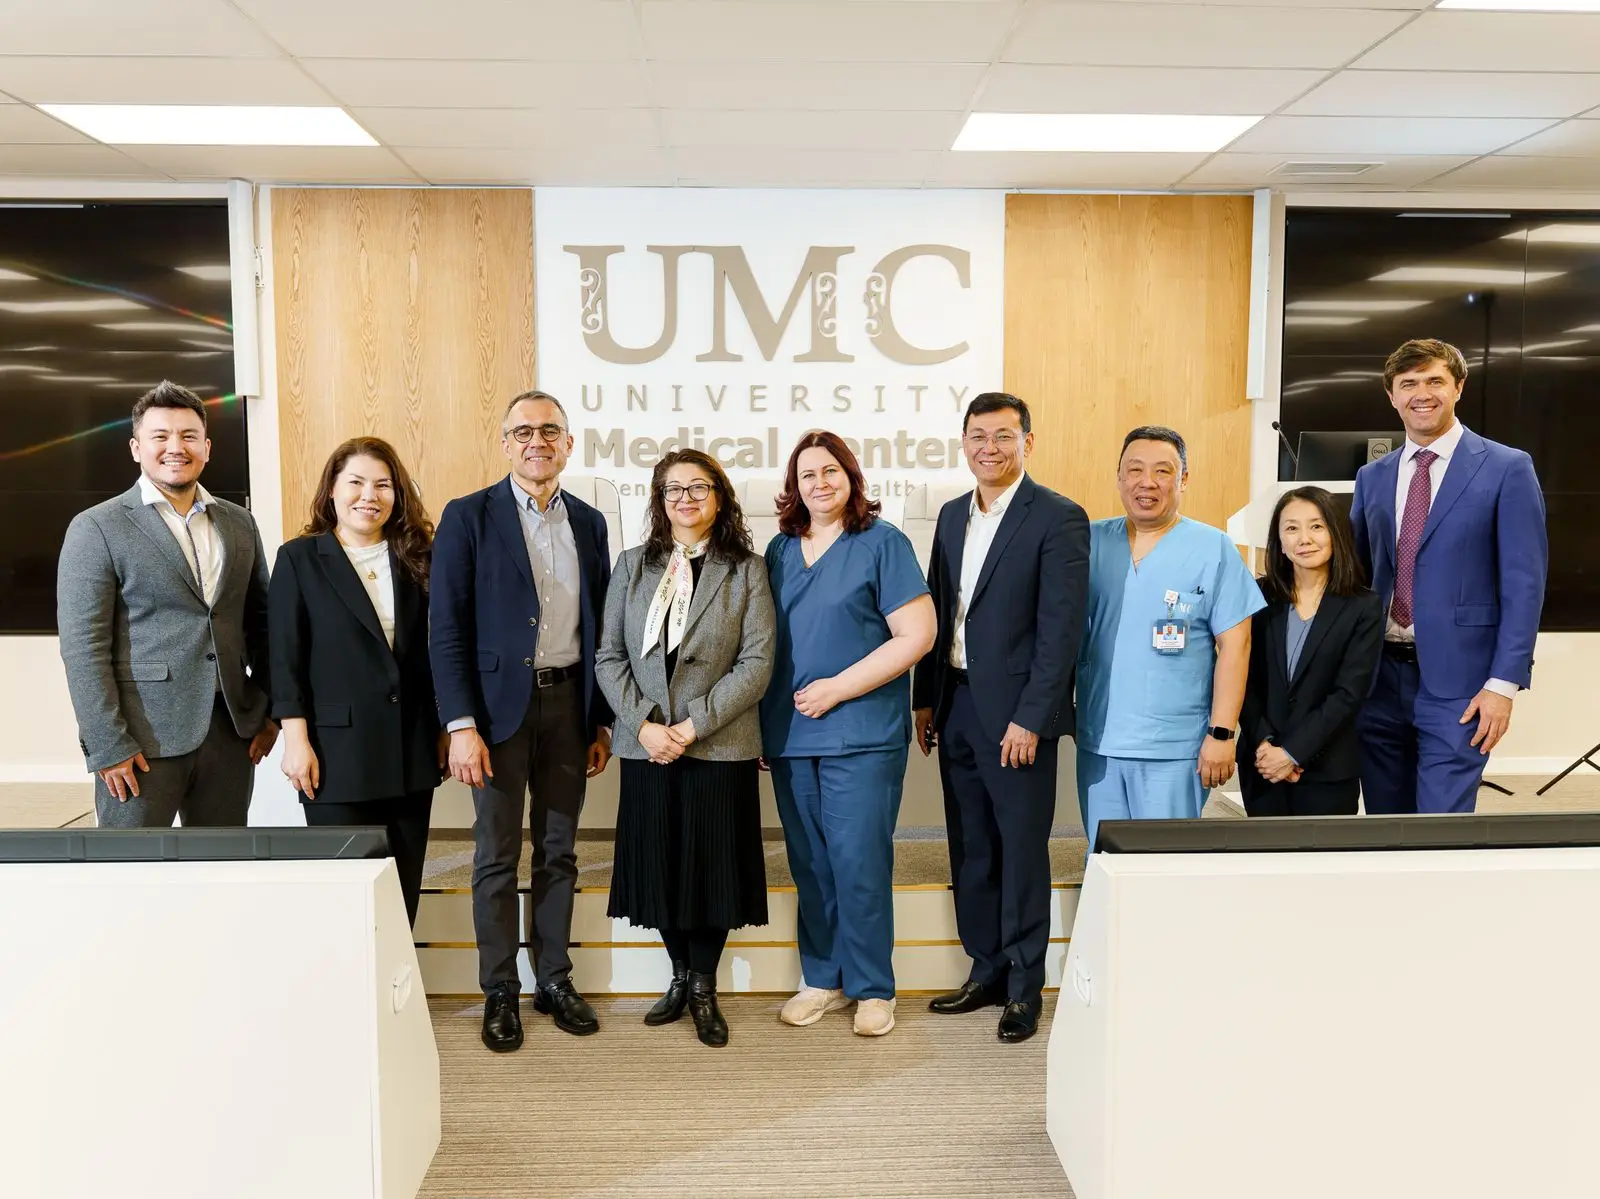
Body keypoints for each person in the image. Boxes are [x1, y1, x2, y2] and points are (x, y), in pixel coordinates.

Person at [430, 389, 614, 1052]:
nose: (537, 441)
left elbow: (600, 626)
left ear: (568, 443)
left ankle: (554, 981)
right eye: (524, 431)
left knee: (560, 850)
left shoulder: (590, 522)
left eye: (550, 431)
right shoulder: (467, 516)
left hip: (568, 708)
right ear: (506, 443)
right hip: (494, 714)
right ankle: (500, 989)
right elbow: (446, 629)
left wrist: (600, 721)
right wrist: (460, 725)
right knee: (497, 854)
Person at [912, 393, 1089, 1045]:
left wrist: (1032, 718)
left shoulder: (1059, 517)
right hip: (956, 703)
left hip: (1017, 718)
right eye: (978, 435)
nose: (990, 447)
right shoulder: (951, 514)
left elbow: (1061, 631)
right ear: (963, 443)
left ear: (1027, 442)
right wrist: (925, 698)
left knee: (1020, 851)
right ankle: (984, 969)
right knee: (971, 847)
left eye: (1004, 435)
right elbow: (937, 608)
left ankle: (1024, 986)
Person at [595, 449, 774, 1048]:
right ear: (659, 500)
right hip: (646, 744)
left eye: (699, 488)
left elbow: (757, 662)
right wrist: (645, 725)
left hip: (718, 744)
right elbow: (609, 656)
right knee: (660, 867)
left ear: (719, 498)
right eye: (673, 489)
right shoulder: (631, 565)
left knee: (713, 870)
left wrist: (693, 726)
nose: (686, 499)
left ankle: (703, 985)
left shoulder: (746, 569)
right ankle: (677, 974)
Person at [761, 431, 936, 1038]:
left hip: (860, 733)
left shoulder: (882, 544)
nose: (820, 483)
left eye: (830, 471)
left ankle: (872, 987)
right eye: (807, 474)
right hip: (790, 735)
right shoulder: (780, 549)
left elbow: (916, 635)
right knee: (810, 862)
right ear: (794, 485)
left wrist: (838, 688)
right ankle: (822, 978)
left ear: (851, 477)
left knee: (858, 861)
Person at [58, 381, 277, 828]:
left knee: (221, 863)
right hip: (139, 741)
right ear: (136, 448)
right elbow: (83, 648)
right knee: (131, 866)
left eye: (189, 436)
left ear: (206, 448)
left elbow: (264, 626)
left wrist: (268, 710)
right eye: (160, 436)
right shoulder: (96, 527)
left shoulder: (240, 523)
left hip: (231, 733)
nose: (176, 447)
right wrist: (107, 744)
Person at [1350, 339, 1547, 814]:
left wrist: (1503, 684)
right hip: (1379, 680)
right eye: (1408, 384)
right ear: (1391, 396)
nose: (1422, 394)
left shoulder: (1507, 468)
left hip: (1462, 684)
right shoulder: (1372, 476)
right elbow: (1356, 577)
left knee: (1442, 824)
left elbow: (1524, 586)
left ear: (1458, 387)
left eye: (1435, 381)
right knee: (1385, 824)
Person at [268, 437, 445, 925]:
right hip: (335, 756)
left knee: (402, 893)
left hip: (411, 750)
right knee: (343, 895)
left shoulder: (419, 557)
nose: (370, 495)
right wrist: (295, 740)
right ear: (332, 489)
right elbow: (284, 658)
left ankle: (398, 974)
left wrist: (443, 726)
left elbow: (438, 654)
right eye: (357, 483)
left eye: (383, 485)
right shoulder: (300, 559)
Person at [1076, 426, 1265, 848]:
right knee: (1104, 861)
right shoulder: (1088, 541)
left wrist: (1222, 734)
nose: (1147, 482)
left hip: (1175, 749)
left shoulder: (1212, 548)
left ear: (1183, 479)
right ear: (1119, 477)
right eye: (1135, 470)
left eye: (1162, 471)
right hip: (1100, 742)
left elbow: (1236, 647)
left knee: (1165, 864)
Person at [1239, 487, 1383, 818]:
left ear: (1336, 532)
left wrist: (1291, 753)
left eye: (1316, 526)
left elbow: (1348, 693)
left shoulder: (1363, 606)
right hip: (1262, 767)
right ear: (1279, 541)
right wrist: (1265, 745)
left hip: (1327, 770)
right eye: (1291, 528)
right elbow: (1242, 678)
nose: (1304, 538)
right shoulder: (1257, 596)